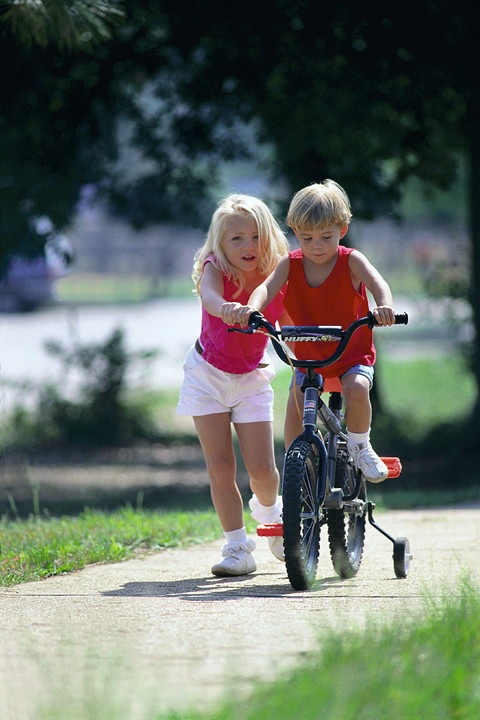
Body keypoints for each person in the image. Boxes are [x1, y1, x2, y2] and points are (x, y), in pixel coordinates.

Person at [232, 179, 396, 482]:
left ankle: (361, 446)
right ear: (296, 233)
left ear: (341, 231)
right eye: (306, 238)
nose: (316, 246)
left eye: (325, 236)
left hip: (351, 356)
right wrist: (251, 309)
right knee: (296, 400)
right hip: (309, 361)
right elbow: (265, 289)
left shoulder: (350, 260)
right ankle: (296, 466)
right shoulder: (290, 264)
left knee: (357, 388)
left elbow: (377, 283)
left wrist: (383, 306)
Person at [176, 193, 289, 577]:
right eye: (236, 239)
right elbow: (208, 296)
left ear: (268, 237)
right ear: (221, 244)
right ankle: (237, 547)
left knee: (262, 470)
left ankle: (272, 518)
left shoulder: (278, 274)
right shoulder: (215, 268)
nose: (247, 246)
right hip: (206, 376)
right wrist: (224, 306)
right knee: (220, 466)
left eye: (255, 236)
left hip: (251, 378)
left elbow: (290, 318)